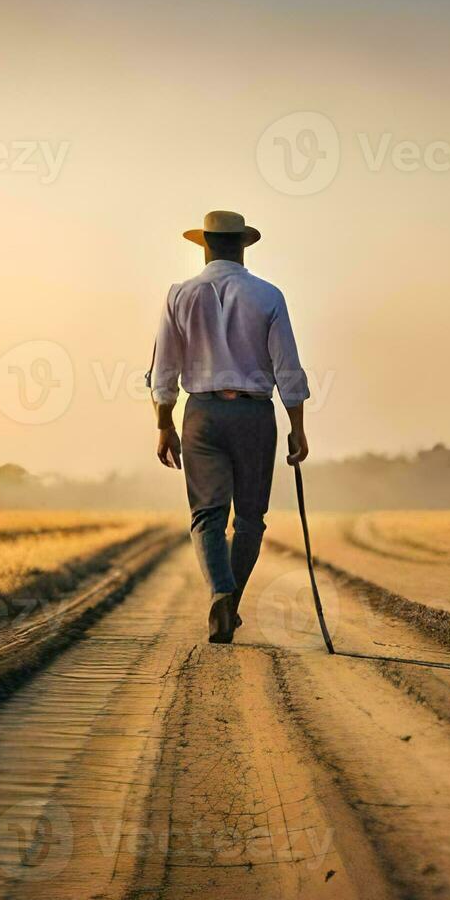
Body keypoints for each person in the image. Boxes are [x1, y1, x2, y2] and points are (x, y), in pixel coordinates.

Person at [147, 210, 310, 643]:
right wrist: (297, 426)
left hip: (201, 413)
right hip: (255, 415)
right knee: (251, 518)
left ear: (204, 245)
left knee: (207, 516)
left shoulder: (178, 295)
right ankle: (231, 603)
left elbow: (164, 370)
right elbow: (288, 368)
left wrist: (164, 424)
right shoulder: (268, 295)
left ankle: (219, 590)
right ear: (242, 245)